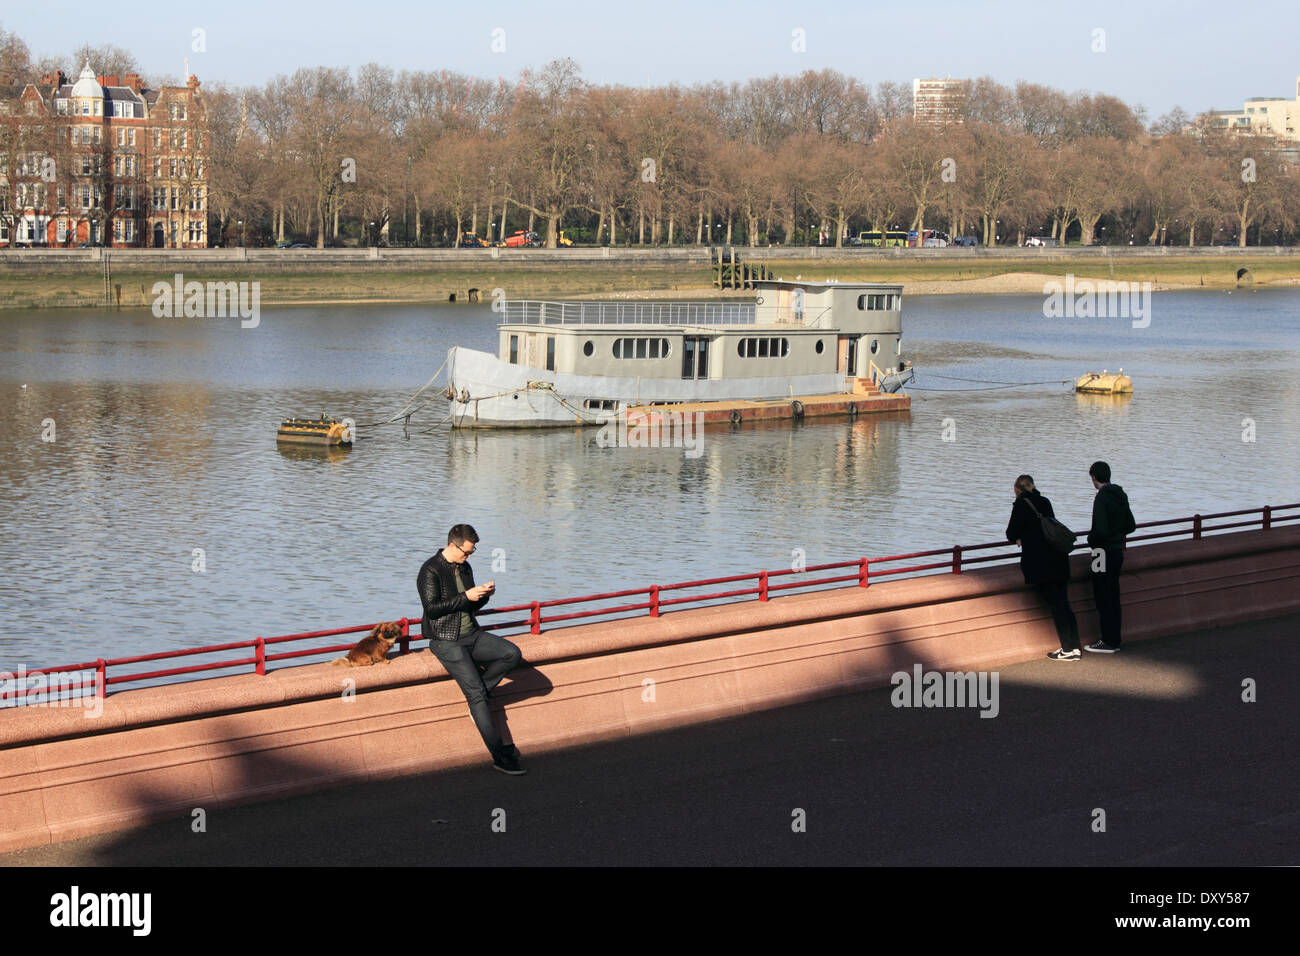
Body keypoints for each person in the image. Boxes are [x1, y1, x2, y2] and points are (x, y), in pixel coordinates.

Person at [417, 524, 526, 774]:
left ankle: (479, 697)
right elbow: (432, 609)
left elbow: (470, 606)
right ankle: (500, 757)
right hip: (445, 639)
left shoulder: (464, 567)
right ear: (452, 545)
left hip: (472, 634)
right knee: (475, 693)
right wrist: (467, 596)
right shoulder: (430, 570)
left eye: (472, 552)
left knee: (511, 654)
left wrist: (484, 595)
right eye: (466, 552)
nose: (469, 556)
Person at [1006, 475, 1080, 660]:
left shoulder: (1021, 505)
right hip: (1058, 559)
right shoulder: (1045, 501)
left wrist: (1020, 537)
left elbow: (1011, 532)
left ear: (1017, 489)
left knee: (1056, 606)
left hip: (1041, 563)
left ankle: (1067, 650)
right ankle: (1074, 647)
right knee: (1064, 603)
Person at [1084, 461, 1137, 653]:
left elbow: (1099, 530)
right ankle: (1115, 640)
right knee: (1113, 595)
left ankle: (1106, 641)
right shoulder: (1120, 495)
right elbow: (1131, 526)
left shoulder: (1101, 499)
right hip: (1116, 551)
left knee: (1101, 595)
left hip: (1100, 553)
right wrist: (1117, 533)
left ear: (1094, 477)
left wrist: (1090, 538)